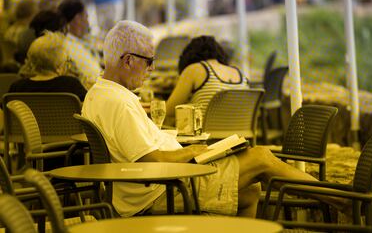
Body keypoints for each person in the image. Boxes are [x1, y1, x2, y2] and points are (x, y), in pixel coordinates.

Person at [82, 20, 346, 218]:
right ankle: (341, 200)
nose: (151, 69)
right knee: (262, 158)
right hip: (163, 190)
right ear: (128, 60)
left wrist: (182, 144)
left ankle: (335, 198)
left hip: (149, 188)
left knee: (249, 192)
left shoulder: (97, 94)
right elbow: (152, 160)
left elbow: (145, 147)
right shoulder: (120, 103)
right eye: (149, 61)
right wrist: (196, 151)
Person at [166, 35, 248, 119]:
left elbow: (169, 111)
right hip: (242, 132)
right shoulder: (239, 73)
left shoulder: (194, 69)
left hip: (206, 132)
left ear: (188, 56)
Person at [9, 31, 87, 101]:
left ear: (31, 60)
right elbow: (87, 112)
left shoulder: (17, 88)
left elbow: (4, 115)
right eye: (66, 60)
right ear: (59, 65)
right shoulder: (71, 85)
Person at [58, 0, 102, 89]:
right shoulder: (68, 46)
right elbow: (93, 73)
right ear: (78, 19)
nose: (88, 22)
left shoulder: (69, 42)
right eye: (86, 17)